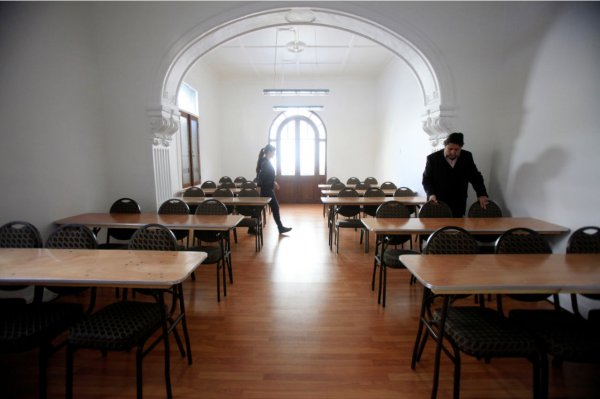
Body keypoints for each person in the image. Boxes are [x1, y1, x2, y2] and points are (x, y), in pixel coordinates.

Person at [422, 132, 489, 217]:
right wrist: (431, 194)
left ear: (461, 148)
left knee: (457, 228)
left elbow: (475, 177)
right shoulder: (433, 159)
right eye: (450, 149)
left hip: (458, 201)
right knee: (437, 228)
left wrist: (482, 194)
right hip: (438, 202)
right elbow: (426, 179)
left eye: (456, 149)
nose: (453, 152)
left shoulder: (467, 156)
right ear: (445, 146)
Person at [256, 144, 292, 234]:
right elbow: (260, 176)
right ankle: (280, 228)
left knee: (259, 209)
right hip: (266, 190)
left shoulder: (266, 161)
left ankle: (251, 227)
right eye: (273, 152)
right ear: (269, 152)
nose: (274, 154)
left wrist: (274, 182)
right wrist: (259, 190)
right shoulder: (265, 162)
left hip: (267, 189)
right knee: (275, 207)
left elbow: (268, 176)